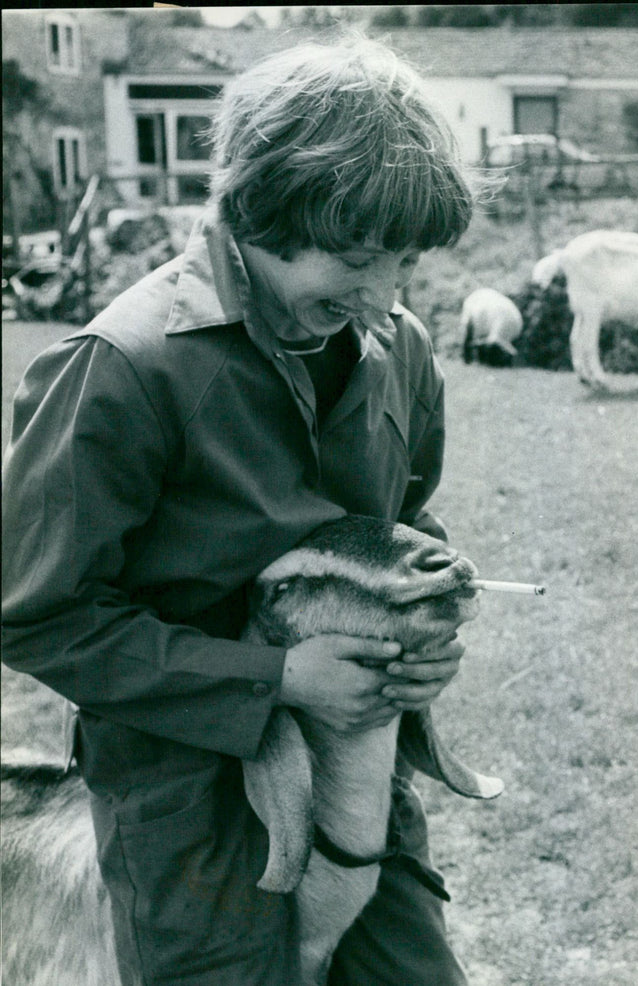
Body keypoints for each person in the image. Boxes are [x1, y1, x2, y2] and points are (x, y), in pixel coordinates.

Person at [2, 34, 482, 986]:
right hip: (185, 804)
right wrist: (276, 680)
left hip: (357, 777)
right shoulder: (122, 370)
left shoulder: (400, 347)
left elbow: (405, 526)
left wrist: (419, 616)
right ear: (260, 210)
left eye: (406, 262)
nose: (384, 296)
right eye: (355, 257)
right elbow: (38, 614)